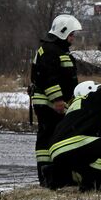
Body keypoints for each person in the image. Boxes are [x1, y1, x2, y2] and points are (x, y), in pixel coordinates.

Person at [30, 14, 81, 187]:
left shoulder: (58, 51)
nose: (73, 38)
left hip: (55, 104)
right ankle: (46, 176)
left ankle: (53, 176)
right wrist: (57, 100)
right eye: (71, 35)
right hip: (48, 104)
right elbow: (48, 78)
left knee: (54, 137)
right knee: (48, 138)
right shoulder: (50, 50)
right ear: (62, 32)